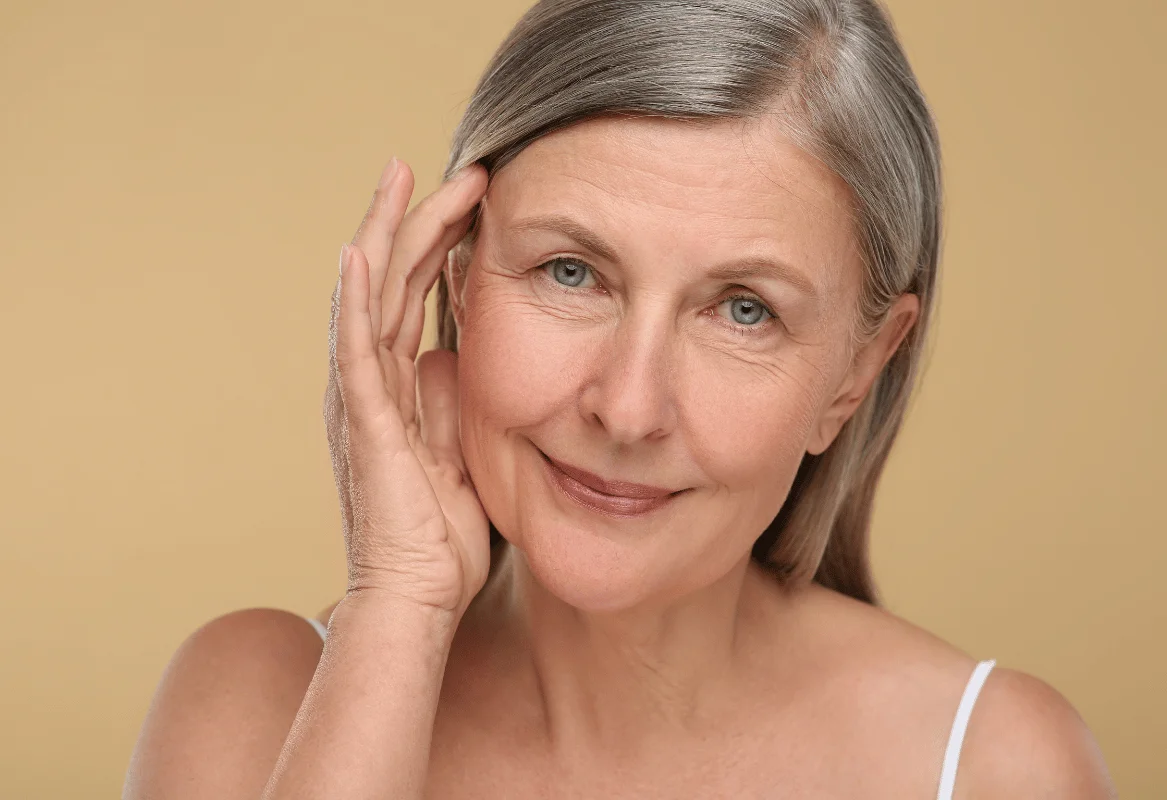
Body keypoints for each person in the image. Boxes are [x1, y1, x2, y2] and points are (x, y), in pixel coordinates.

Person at [124, 0, 1117, 797]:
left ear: (857, 371)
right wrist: (398, 606)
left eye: (742, 308)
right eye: (570, 272)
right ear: (455, 278)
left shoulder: (995, 765)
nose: (629, 407)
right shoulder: (252, 704)